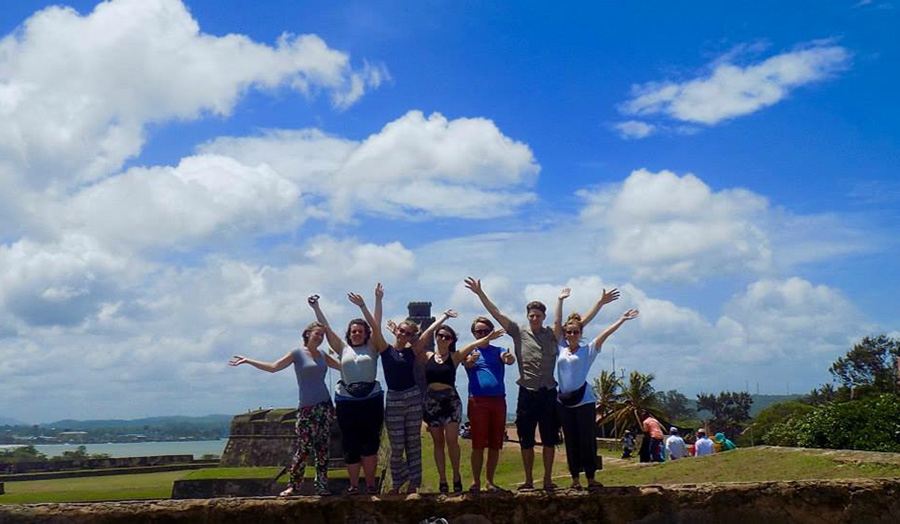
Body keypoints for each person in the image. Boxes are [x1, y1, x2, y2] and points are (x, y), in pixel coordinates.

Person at [465, 277, 620, 491]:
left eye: (538, 315)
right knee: (526, 439)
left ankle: (547, 480)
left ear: (543, 317)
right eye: (531, 315)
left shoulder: (552, 334)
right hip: (526, 392)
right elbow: (496, 314)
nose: (535, 318)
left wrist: (598, 303)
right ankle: (529, 480)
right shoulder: (518, 332)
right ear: (527, 317)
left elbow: (580, 324)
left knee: (549, 439)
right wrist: (480, 294)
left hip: (548, 393)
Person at [228, 306, 341, 496]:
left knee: (322, 449)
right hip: (306, 408)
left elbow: (344, 368)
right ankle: (293, 485)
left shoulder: (323, 355)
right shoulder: (297, 353)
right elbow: (273, 367)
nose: (320, 337)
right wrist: (248, 360)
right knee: (303, 449)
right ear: (307, 334)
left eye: (322, 335)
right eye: (317, 334)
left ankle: (321, 486)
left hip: (324, 406)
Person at [555, 287, 638, 490]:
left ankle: (591, 478)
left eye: (575, 332)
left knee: (587, 441)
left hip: (584, 401)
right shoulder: (560, 347)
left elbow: (605, 333)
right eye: (569, 332)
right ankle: (575, 479)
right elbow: (557, 323)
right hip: (564, 401)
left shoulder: (588, 350)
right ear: (565, 334)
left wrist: (621, 319)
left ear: (581, 334)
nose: (572, 334)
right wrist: (560, 300)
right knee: (571, 442)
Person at [310, 285, 385, 494]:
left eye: (360, 331)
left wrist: (373, 302)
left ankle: (370, 485)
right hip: (347, 400)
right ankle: (353, 485)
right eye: (354, 331)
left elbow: (376, 325)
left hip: (371, 398)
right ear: (349, 334)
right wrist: (316, 307)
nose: (357, 334)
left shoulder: (372, 347)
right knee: (351, 444)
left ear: (365, 334)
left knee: (370, 443)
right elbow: (326, 327)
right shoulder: (342, 348)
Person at [424, 321, 505, 494]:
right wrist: (441, 319)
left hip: (451, 401)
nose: (443, 338)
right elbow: (420, 341)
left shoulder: (455, 356)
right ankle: (443, 480)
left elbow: (470, 349)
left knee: (452, 441)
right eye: (440, 335)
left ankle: (456, 476)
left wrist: (487, 339)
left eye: (447, 336)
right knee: (438, 443)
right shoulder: (427, 355)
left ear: (452, 340)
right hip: (431, 402)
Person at [382, 308, 457, 494]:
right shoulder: (385, 349)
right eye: (401, 331)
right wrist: (377, 301)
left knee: (414, 443)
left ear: (411, 336)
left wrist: (444, 317)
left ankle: (415, 484)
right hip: (393, 398)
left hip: (413, 396)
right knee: (397, 445)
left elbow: (429, 331)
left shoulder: (413, 350)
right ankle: (397, 483)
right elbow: (376, 329)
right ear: (396, 331)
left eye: (408, 333)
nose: (403, 335)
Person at [462, 315, 516, 492]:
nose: (482, 334)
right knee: (477, 444)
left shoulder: (498, 349)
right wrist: (471, 361)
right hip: (478, 401)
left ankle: (489, 481)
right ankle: (476, 482)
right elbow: (467, 364)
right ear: (474, 333)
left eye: (486, 331)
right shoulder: (470, 351)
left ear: (491, 332)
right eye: (479, 332)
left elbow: (509, 359)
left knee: (495, 444)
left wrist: (509, 358)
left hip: (498, 401)